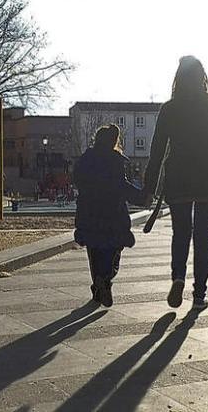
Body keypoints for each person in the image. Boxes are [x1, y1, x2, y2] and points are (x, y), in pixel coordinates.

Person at [143, 55, 208, 311]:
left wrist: (149, 189)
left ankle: (178, 277)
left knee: (180, 234)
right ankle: (199, 294)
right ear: (203, 76)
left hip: (179, 179)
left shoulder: (169, 109)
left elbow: (157, 151)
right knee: (204, 238)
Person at [74, 124, 144, 307]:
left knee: (94, 253)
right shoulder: (115, 161)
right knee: (112, 252)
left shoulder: (84, 161)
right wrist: (142, 197)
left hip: (89, 214)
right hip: (113, 215)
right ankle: (105, 280)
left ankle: (98, 286)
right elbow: (122, 186)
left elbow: (77, 183)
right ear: (114, 142)